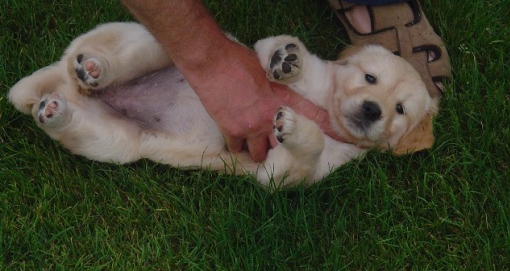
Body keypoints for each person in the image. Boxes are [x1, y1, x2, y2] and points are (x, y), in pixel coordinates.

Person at [120, 0, 451, 162]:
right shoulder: (324, 75)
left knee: (115, 141)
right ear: (347, 61)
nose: (374, 104)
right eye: (370, 78)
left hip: (162, 136)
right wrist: (210, 62)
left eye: (400, 109)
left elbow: (284, 174)